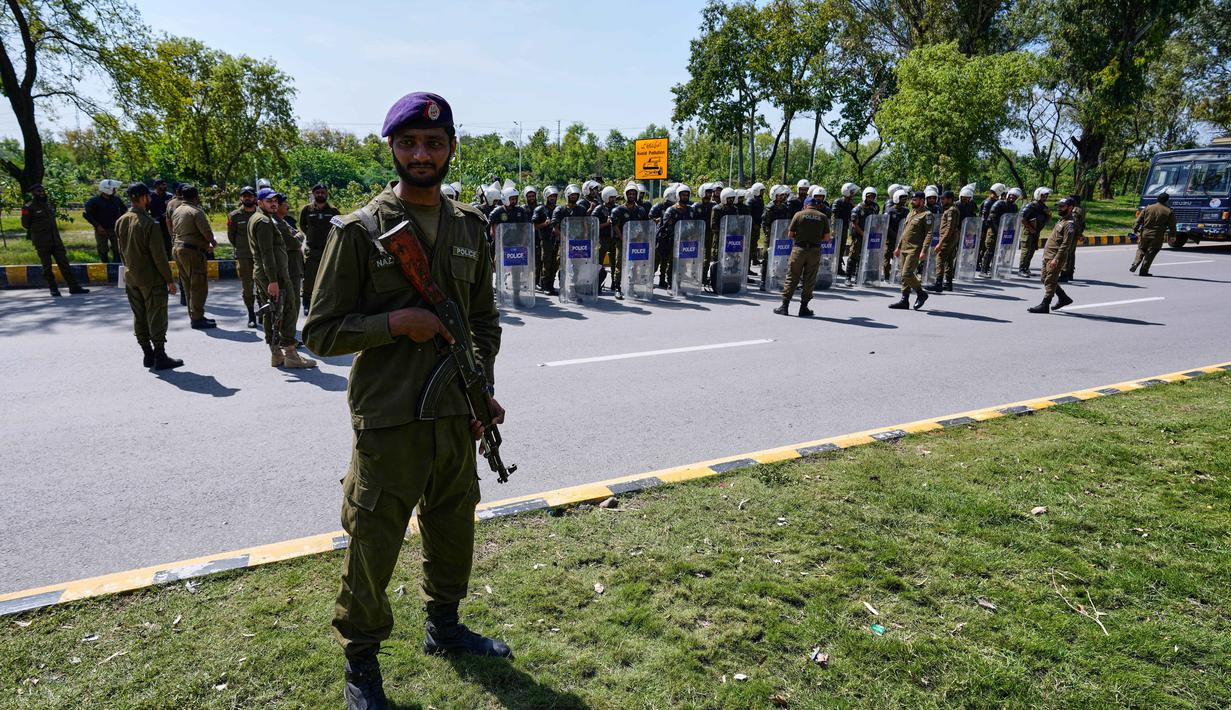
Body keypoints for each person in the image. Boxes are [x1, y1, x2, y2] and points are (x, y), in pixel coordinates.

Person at [302, 92, 508, 710]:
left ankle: (443, 625)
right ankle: (361, 662)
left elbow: (484, 321)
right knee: (374, 539)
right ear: (392, 147)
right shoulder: (361, 233)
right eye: (410, 142)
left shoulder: (471, 227)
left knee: (453, 527)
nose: (423, 154)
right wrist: (397, 324)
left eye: (435, 143)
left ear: (451, 149)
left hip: (454, 415)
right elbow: (320, 333)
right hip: (390, 418)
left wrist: (482, 389)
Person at [115, 182, 182, 370]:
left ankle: (147, 354)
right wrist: (169, 280)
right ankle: (160, 355)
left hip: (131, 277)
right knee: (156, 315)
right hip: (151, 279)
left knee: (139, 316)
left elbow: (121, 252)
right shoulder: (149, 223)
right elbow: (159, 257)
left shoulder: (121, 221)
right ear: (144, 197)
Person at [21, 184, 89, 297]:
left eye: (43, 191)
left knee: (65, 264)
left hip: (56, 240)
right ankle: (53, 289)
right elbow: (25, 224)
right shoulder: (28, 207)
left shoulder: (48, 205)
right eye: (39, 191)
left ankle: (74, 287)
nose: (42, 193)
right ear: (33, 193)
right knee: (47, 267)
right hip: (42, 242)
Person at [773, 196, 830, 317]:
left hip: (799, 249)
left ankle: (785, 306)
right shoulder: (823, 217)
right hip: (814, 250)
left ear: (805, 205)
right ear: (816, 206)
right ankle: (803, 308)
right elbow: (826, 238)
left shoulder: (798, 215)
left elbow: (790, 234)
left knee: (792, 277)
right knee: (809, 279)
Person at [171, 185, 217, 329]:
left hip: (178, 249)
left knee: (187, 284)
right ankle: (197, 318)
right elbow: (206, 231)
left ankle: (194, 315)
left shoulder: (177, 209)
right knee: (198, 285)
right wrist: (212, 243)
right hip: (192, 252)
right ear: (196, 196)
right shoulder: (196, 211)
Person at [1027, 197, 1077, 313]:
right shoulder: (1062, 220)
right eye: (1058, 206)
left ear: (1070, 208)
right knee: (1045, 279)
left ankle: (1045, 304)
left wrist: (1056, 259)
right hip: (1048, 255)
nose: (1059, 209)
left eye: (1062, 206)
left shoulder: (1069, 224)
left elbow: (1066, 244)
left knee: (1050, 280)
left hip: (1055, 257)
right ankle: (1063, 297)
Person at [300, 183, 340, 315]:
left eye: (322, 192)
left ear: (327, 194)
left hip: (328, 249)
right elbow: (302, 225)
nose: (320, 195)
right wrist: (311, 235)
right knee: (309, 277)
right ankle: (306, 303)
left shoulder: (333, 211)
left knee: (329, 276)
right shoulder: (307, 210)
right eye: (317, 192)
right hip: (312, 249)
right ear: (313, 194)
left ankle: (325, 302)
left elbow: (339, 227)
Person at [888, 191, 933, 310]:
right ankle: (904, 300)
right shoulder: (911, 213)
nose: (912, 201)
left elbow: (929, 234)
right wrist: (898, 247)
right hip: (904, 248)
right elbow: (905, 232)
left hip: (915, 249)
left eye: (915, 200)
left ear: (922, 201)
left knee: (907, 273)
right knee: (904, 276)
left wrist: (924, 250)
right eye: (912, 199)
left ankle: (921, 293)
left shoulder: (926, 214)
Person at [228, 186, 260, 327]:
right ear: (241, 198)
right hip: (243, 255)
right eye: (244, 196)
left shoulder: (261, 214)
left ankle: (263, 313)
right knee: (247, 286)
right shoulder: (234, 216)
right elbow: (231, 236)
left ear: (255, 198)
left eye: (250, 196)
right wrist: (242, 247)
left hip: (260, 255)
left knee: (262, 285)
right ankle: (251, 314)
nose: (247, 198)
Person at [610, 182, 646, 300]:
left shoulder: (641, 210)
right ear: (625, 195)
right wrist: (623, 239)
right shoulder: (618, 210)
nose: (631, 195)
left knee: (635, 265)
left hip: (636, 242)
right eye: (629, 193)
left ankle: (631, 287)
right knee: (620, 264)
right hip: (622, 242)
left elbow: (644, 225)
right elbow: (615, 226)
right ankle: (617, 288)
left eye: (634, 194)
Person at [1130, 192, 1177, 277]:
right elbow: (1172, 226)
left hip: (1144, 233)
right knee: (1151, 252)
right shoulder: (1168, 211)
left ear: (1157, 199)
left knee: (1141, 249)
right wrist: (1172, 236)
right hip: (1157, 235)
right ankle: (1143, 271)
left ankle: (1135, 263)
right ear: (1167, 200)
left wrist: (1134, 230)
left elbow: (1138, 220)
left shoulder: (1148, 208)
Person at [656, 184, 692, 289]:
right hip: (671, 241)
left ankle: (679, 281)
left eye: (687, 195)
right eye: (683, 195)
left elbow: (694, 224)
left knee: (683, 263)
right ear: (678, 196)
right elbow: (666, 226)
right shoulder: (671, 210)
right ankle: (669, 282)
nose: (685, 197)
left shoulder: (690, 210)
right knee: (670, 262)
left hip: (685, 241)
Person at [980, 186, 1020, 276]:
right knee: (990, 250)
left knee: (1002, 251)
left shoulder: (1014, 207)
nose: (1012, 198)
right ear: (1008, 195)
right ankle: (984, 270)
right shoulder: (998, 204)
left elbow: (1013, 219)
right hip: (994, 231)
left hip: (1005, 232)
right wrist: (998, 230)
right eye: (1011, 196)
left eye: (1015, 197)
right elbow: (991, 219)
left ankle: (996, 269)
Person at [83, 180, 126, 263]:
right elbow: (88, 215)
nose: (115, 190)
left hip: (115, 229)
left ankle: (116, 266)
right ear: (107, 189)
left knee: (117, 249)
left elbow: (124, 209)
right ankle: (104, 266)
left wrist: (121, 222)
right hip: (101, 230)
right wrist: (97, 226)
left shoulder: (116, 199)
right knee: (102, 249)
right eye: (113, 188)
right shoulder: (93, 201)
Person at [845, 186, 879, 286]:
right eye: (869, 197)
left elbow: (876, 220)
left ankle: (858, 277)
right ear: (865, 196)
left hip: (870, 235)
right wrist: (863, 234)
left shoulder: (875, 207)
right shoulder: (857, 209)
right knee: (853, 255)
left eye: (872, 197)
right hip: (858, 235)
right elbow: (854, 224)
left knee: (864, 257)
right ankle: (848, 277)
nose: (871, 199)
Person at [928, 190, 961, 293]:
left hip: (948, 238)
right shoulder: (951, 209)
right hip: (951, 238)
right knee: (949, 261)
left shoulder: (951, 210)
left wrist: (940, 243)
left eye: (943, 199)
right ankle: (948, 284)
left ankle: (938, 283)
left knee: (940, 259)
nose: (941, 200)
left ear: (950, 199)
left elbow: (949, 228)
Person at [707, 187, 740, 287]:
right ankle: (716, 281)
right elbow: (713, 225)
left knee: (732, 259)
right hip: (720, 239)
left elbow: (737, 222)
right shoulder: (717, 208)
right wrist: (723, 233)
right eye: (729, 198)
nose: (731, 200)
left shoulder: (735, 209)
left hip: (732, 239)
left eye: (732, 198)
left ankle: (730, 280)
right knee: (718, 259)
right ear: (724, 198)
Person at [1018, 187, 1051, 277]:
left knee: (1032, 250)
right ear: (1038, 195)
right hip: (1028, 231)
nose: (1045, 197)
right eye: (1043, 195)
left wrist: (1049, 215)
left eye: (1046, 196)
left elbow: (1047, 221)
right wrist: (1030, 228)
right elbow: (1022, 217)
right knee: (1026, 250)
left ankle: (1026, 268)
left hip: (1036, 232)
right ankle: (1021, 269)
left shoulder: (1044, 207)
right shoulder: (1031, 205)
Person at [593, 185, 619, 295]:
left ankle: (615, 283)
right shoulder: (599, 209)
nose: (613, 199)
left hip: (614, 239)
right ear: (606, 197)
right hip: (602, 239)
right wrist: (606, 224)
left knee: (615, 262)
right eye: (611, 197)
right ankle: (596, 284)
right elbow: (593, 225)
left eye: (614, 197)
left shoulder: (617, 208)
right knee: (598, 263)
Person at [532, 186, 558, 293]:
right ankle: (545, 285)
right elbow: (533, 226)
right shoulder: (540, 209)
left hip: (557, 240)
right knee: (546, 263)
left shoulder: (558, 209)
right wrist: (544, 224)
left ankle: (551, 285)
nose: (552, 198)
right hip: (545, 240)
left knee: (555, 263)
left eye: (554, 196)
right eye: (550, 196)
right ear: (546, 197)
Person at [883, 188, 909, 281]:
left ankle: (900, 276)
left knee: (901, 258)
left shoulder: (906, 211)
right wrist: (894, 235)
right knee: (887, 256)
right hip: (890, 238)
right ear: (897, 198)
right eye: (902, 199)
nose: (905, 201)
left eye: (905, 199)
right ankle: (886, 275)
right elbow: (886, 226)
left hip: (902, 238)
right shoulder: (890, 211)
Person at [831, 183, 856, 276]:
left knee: (841, 248)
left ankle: (838, 267)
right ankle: (831, 267)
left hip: (845, 228)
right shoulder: (838, 201)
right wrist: (833, 229)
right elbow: (834, 216)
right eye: (852, 192)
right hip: (837, 228)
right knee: (834, 248)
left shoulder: (850, 203)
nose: (853, 194)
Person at [978, 183, 1004, 270]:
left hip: (990, 227)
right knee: (982, 247)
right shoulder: (988, 202)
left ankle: (983, 264)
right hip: (986, 228)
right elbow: (984, 218)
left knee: (986, 248)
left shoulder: (995, 201)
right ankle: (978, 264)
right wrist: (983, 230)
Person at [1061, 194, 1084, 282]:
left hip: (1071, 234)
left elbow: (1074, 223)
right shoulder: (1079, 209)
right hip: (1075, 234)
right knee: (1071, 254)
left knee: (1067, 254)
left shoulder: (1075, 211)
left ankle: (1065, 274)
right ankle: (1070, 273)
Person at [149, 179, 173, 259]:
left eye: (165, 184)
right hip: (154, 224)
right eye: (162, 185)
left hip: (167, 224)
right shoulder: (151, 196)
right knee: (156, 244)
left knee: (167, 244)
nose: (165, 186)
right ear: (156, 186)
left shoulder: (169, 196)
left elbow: (172, 209)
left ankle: (169, 260)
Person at [747, 183, 765, 265]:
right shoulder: (751, 201)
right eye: (761, 191)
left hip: (758, 225)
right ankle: (748, 264)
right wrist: (754, 224)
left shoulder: (760, 200)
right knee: (750, 245)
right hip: (751, 226)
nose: (762, 193)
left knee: (754, 243)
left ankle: (754, 259)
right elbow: (749, 214)